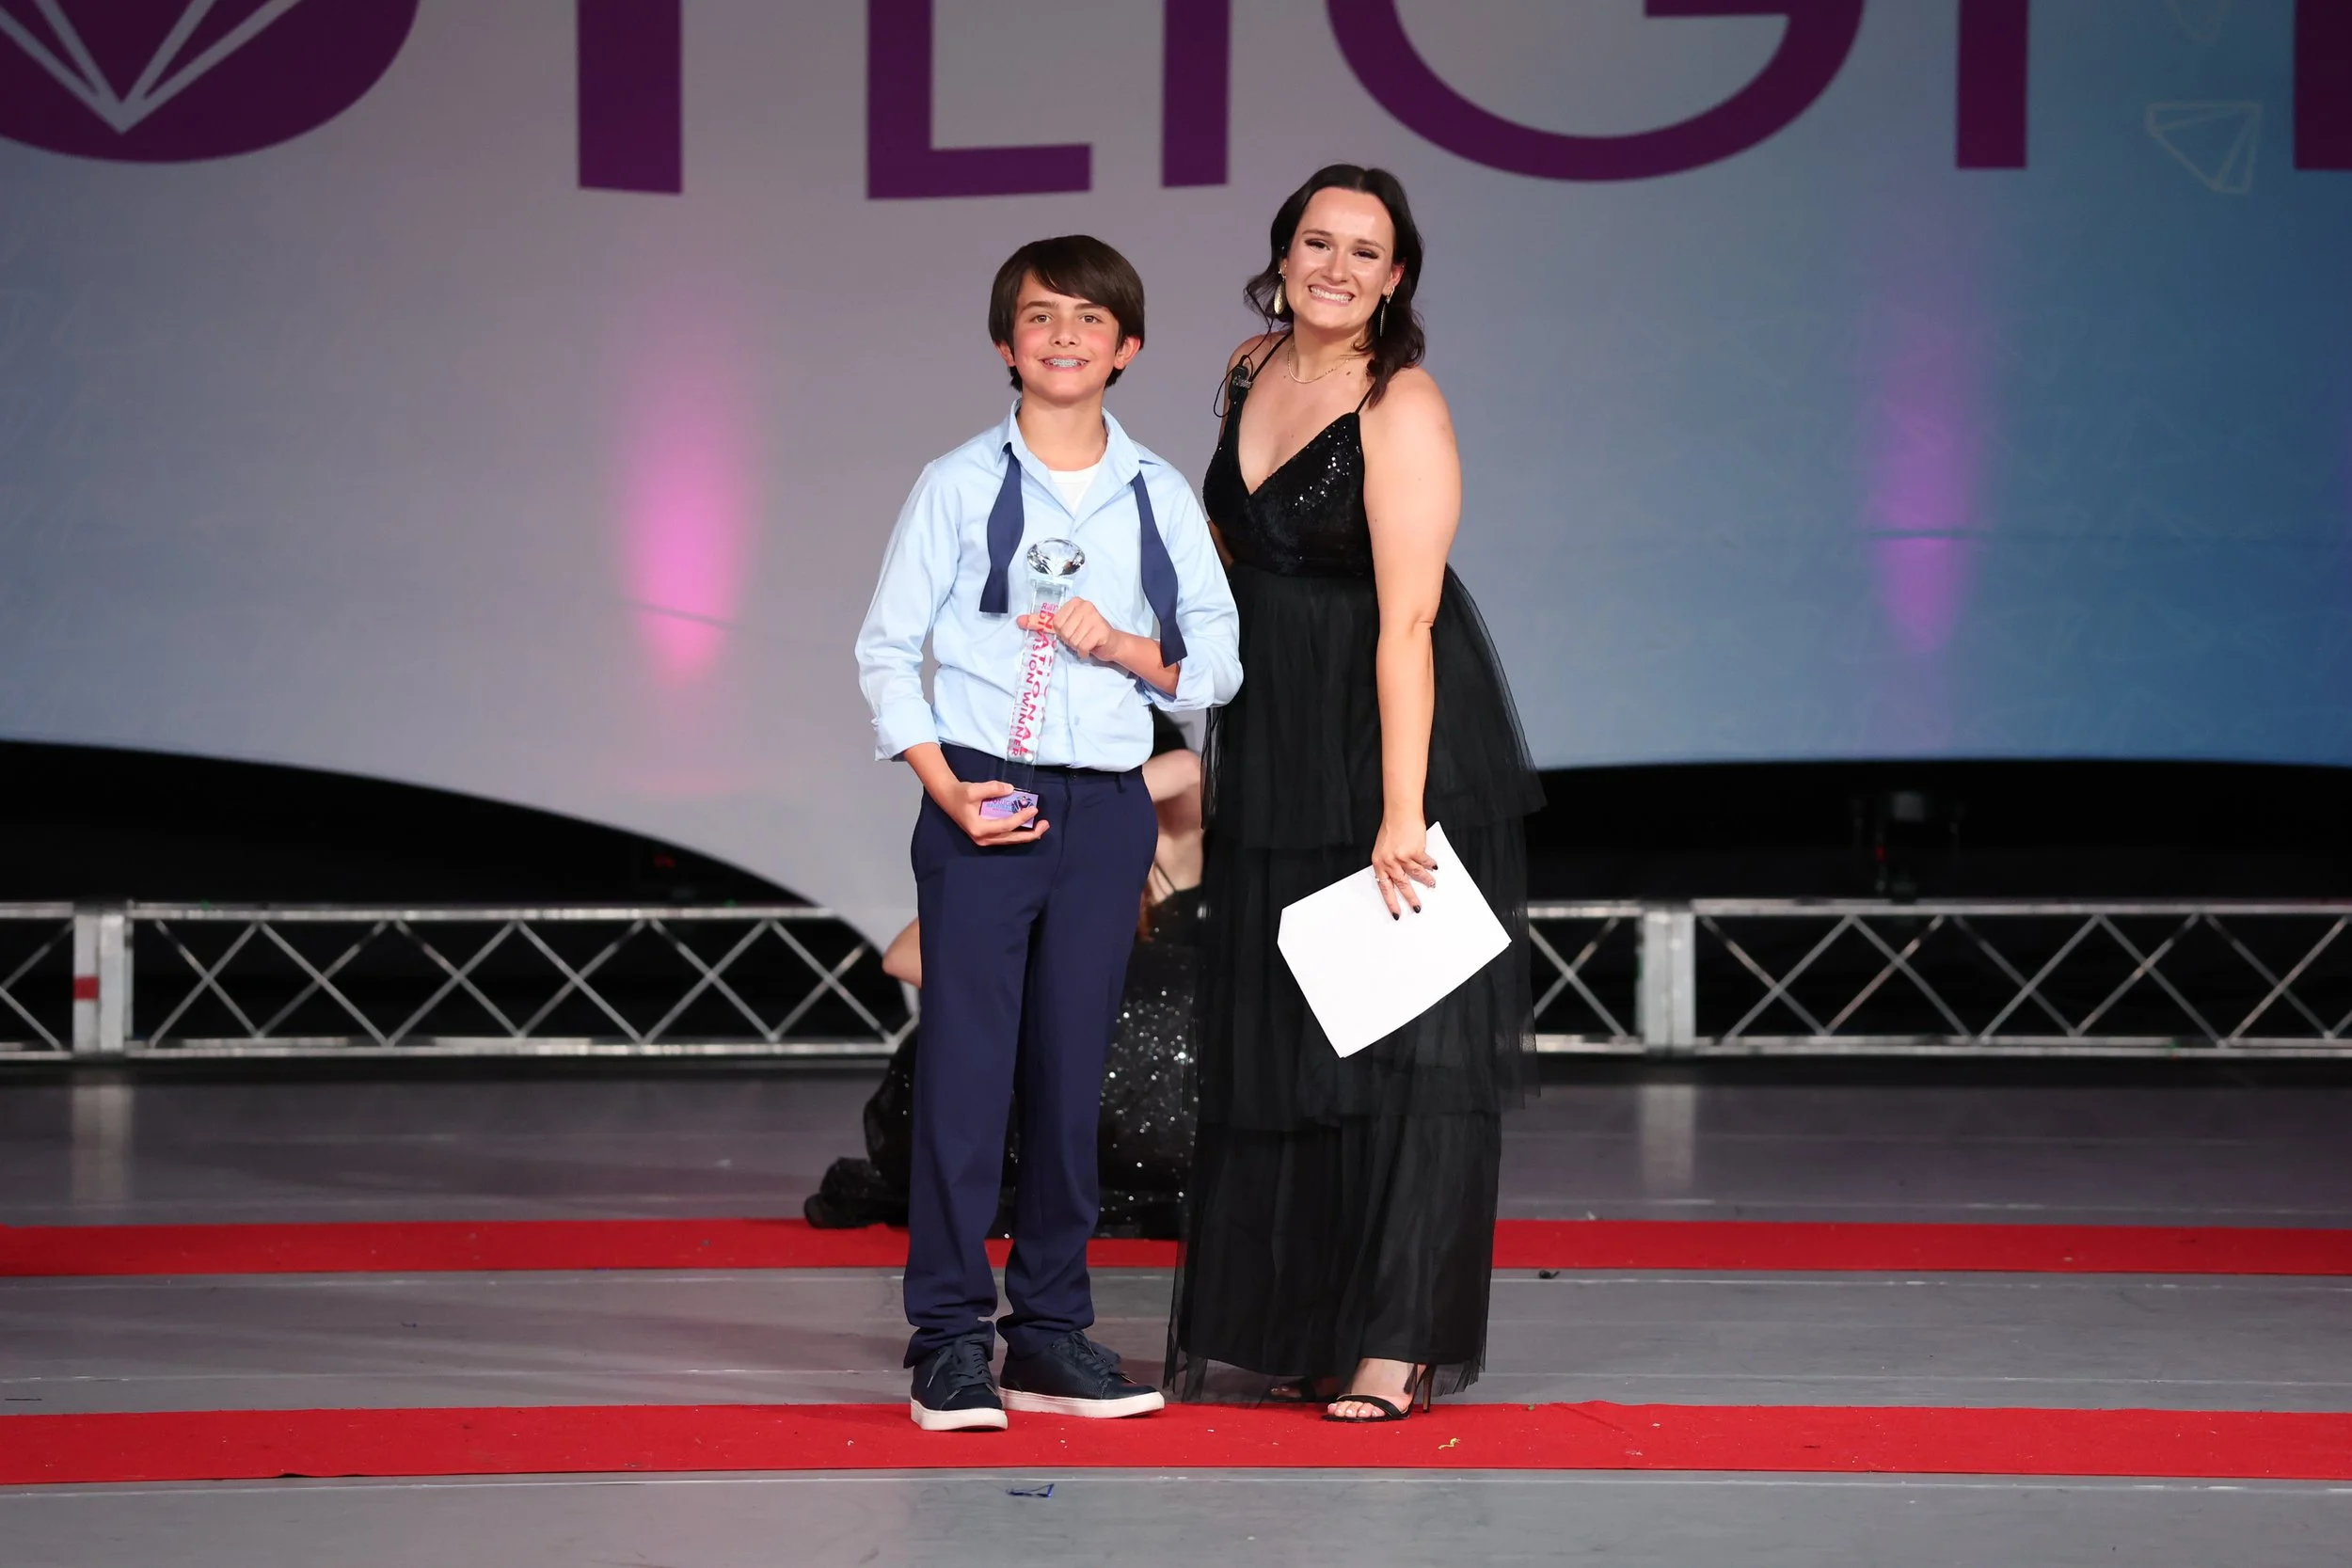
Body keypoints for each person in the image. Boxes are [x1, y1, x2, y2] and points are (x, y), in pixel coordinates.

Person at [1165, 166, 1543, 1423]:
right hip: (1273, 729)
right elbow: (1232, 562)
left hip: (1387, 733)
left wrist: (1400, 808)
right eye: (1316, 242)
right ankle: (1310, 1324)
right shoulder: (1247, 368)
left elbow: (1409, 618)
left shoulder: (1403, 400)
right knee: (1294, 1035)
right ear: (1281, 255)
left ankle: (1394, 1340)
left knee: (1405, 1047)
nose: (1336, 266)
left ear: (1397, 276)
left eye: (1364, 250)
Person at [854, 235, 1241, 1433]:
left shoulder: (1158, 492)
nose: (1064, 335)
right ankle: (947, 1340)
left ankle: (1051, 1333)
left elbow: (1218, 663)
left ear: (1126, 348)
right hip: (983, 795)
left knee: (1073, 1077)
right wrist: (947, 787)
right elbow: (886, 650)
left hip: (1106, 806)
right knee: (965, 1076)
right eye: (1039, 316)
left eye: (1089, 318)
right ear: (1004, 343)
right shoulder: (957, 482)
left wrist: (1125, 647)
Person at [804, 712, 1207, 1239]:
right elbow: (903, 956)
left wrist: (1097, 799)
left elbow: (1189, 769)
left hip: (1156, 1091)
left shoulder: (1169, 850)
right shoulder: (1036, 846)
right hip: (1069, 1072)